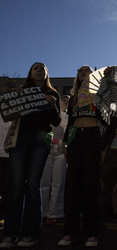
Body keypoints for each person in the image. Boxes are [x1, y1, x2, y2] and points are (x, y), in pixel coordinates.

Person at [0, 62, 61, 248]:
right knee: (16, 186)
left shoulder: (53, 94)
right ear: (30, 72)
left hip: (40, 140)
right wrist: (13, 96)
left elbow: (57, 121)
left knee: (33, 186)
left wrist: (52, 106)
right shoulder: (21, 90)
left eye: (42, 68)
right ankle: (10, 233)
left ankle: (30, 233)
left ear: (47, 73)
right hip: (20, 139)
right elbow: (8, 112)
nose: (39, 69)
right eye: (35, 67)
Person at [58, 66, 106, 247]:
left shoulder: (99, 95)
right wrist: (65, 142)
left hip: (92, 137)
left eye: (87, 70)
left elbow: (108, 120)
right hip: (75, 139)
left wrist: (103, 147)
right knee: (72, 185)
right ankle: (70, 232)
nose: (84, 72)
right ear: (77, 76)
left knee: (90, 185)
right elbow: (70, 122)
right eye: (81, 71)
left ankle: (91, 233)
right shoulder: (73, 98)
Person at [41, 94, 70, 225]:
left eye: (68, 101)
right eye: (63, 100)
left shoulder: (71, 117)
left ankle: (55, 213)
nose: (65, 102)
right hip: (47, 149)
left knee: (58, 183)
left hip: (61, 151)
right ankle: (42, 212)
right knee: (44, 183)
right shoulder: (52, 114)